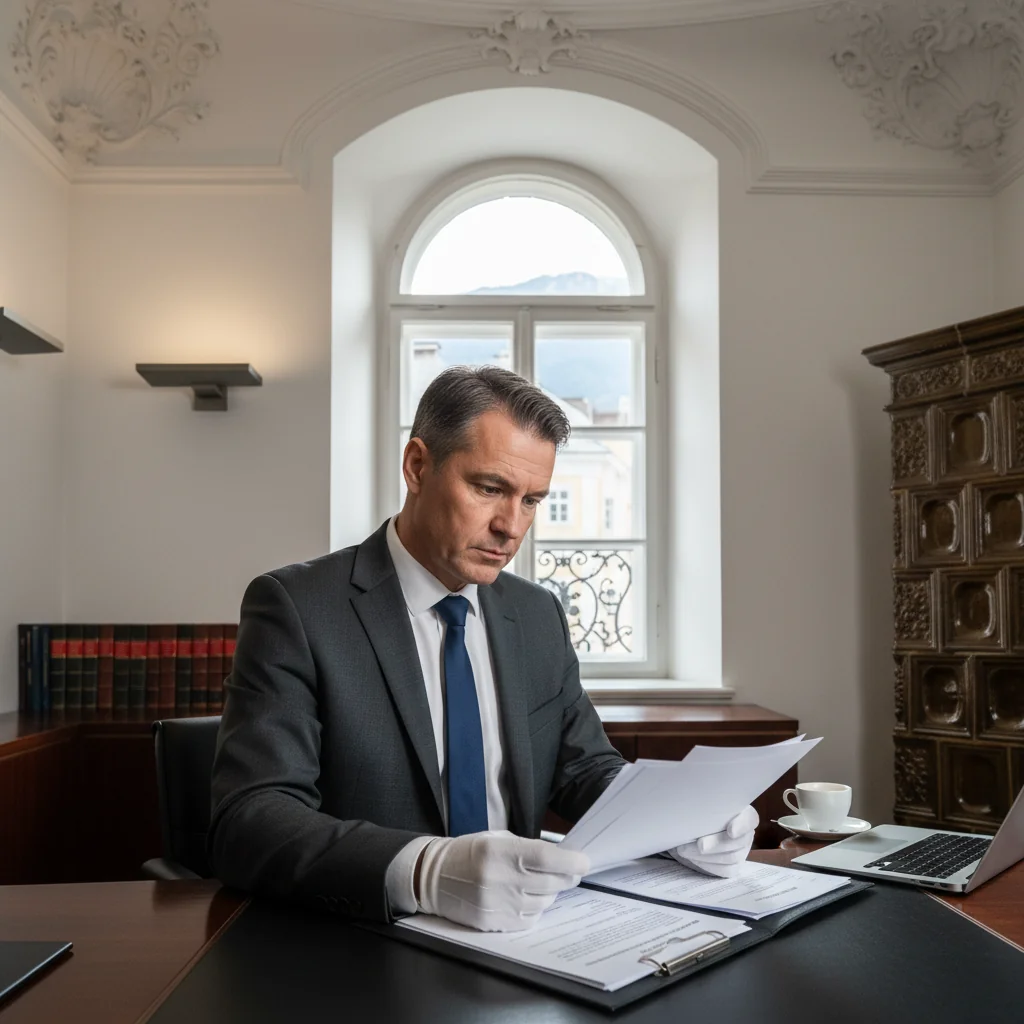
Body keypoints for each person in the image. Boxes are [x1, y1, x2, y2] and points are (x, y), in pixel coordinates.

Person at [209, 365, 757, 932]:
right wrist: (424, 870)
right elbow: (249, 821)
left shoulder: (537, 613)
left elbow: (584, 769)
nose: (511, 526)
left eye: (532, 501)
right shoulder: (298, 607)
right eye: (490, 488)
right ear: (418, 466)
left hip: (527, 936)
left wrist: (680, 822)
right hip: (367, 942)